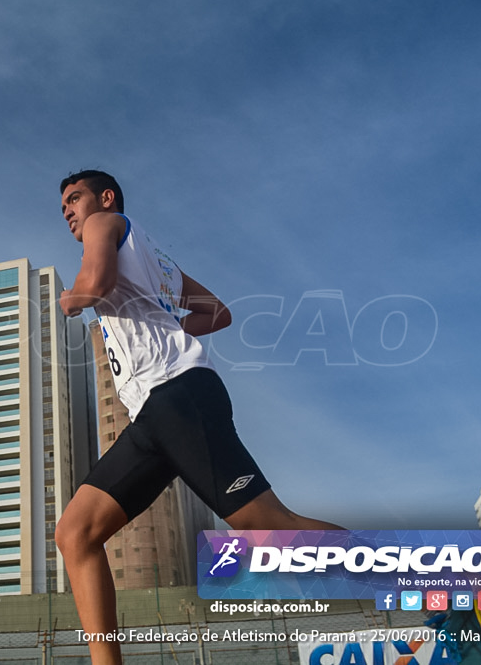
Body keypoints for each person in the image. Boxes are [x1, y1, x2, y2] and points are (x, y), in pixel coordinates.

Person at [54, 170, 341, 665]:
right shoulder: (156, 259)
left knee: (268, 526)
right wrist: (169, 322)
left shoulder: (107, 222)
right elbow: (217, 312)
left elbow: (94, 283)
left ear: (104, 197)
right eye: (63, 209)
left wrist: (71, 299)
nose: (69, 212)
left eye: (74, 199)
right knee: (75, 533)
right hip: (153, 413)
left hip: (178, 396)